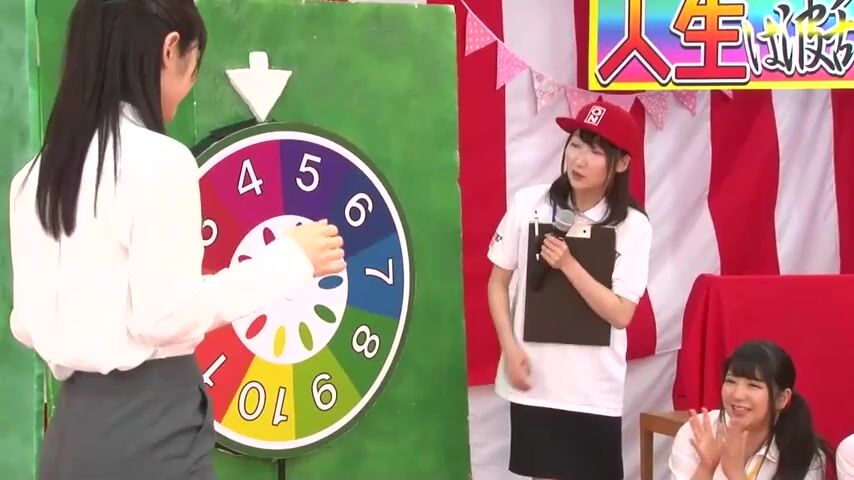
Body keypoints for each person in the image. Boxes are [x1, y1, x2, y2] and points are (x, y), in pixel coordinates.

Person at [8, 1, 345, 478]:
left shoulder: (33, 177)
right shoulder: (159, 162)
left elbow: (25, 324)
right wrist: (291, 261)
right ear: (170, 50)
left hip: (70, 434)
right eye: (193, 67)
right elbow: (165, 315)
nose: (187, 90)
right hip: (153, 428)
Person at [486, 100, 652, 480]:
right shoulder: (530, 204)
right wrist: (509, 348)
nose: (579, 159)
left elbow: (621, 314)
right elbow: (497, 282)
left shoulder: (632, 225)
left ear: (621, 163)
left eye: (595, 151)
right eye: (576, 144)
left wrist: (569, 265)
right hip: (537, 383)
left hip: (593, 391)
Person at [669, 341, 829, 480]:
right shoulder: (697, 433)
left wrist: (736, 473)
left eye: (753, 385)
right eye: (731, 381)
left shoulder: (804, 453)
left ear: (782, 398)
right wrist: (706, 466)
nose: (737, 395)